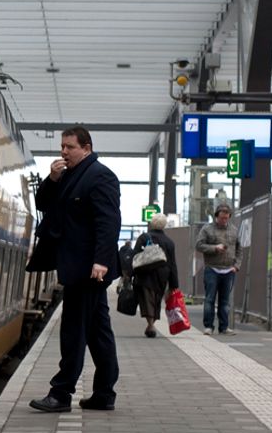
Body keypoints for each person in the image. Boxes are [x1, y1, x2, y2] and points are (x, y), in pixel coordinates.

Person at [28, 126, 121, 413]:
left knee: (73, 330)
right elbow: (43, 204)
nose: (64, 152)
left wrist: (102, 260)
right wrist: (52, 179)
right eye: (62, 147)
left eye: (70, 147)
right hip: (77, 266)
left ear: (87, 148)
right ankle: (104, 393)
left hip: (88, 269)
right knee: (97, 331)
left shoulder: (100, 176)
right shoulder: (67, 176)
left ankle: (61, 393)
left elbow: (109, 221)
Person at [194, 203, 241, 335]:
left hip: (228, 270)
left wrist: (236, 266)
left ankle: (224, 327)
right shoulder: (207, 229)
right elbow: (199, 245)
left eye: (226, 218)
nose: (224, 221)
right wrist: (214, 248)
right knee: (210, 299)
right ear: (216, 217)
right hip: (212, 269)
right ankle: (208, 326)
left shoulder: (234, 230)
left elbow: (239, 249)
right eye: (221, 218)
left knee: (225, 301)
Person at [132, 213, 179, 338]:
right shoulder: (169, 242)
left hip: (144, 273)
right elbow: (172, 263)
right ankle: (152, 323)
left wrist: (130, 274)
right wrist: (174, 284)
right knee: (156, 299)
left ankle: (150, 324)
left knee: (147, 298)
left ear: (152, 223)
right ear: (164, 225)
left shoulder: (144, 237)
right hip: (162, 274)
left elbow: (135, 255)